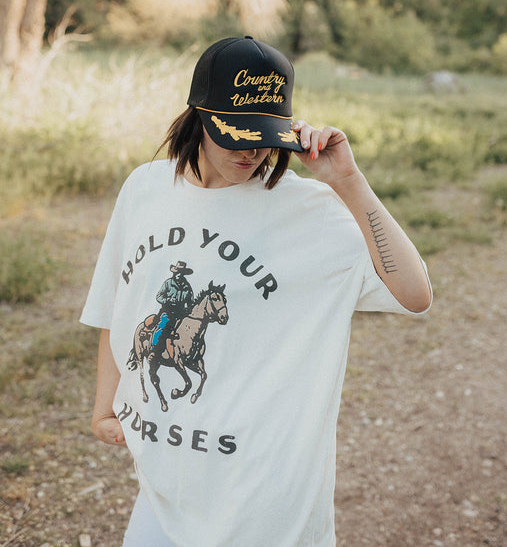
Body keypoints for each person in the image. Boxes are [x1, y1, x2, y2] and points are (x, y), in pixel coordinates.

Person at [81, 35, 432, 547]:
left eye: (264, 134)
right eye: (235, 133)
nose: (251, 150)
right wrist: (104, 408)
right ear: (199, 115)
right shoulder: (145, 187)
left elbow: (414, 294)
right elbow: (119, 299)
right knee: (159, 323)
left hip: (263, 500)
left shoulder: (310, 211)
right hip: (165, 479)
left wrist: (348, 181)